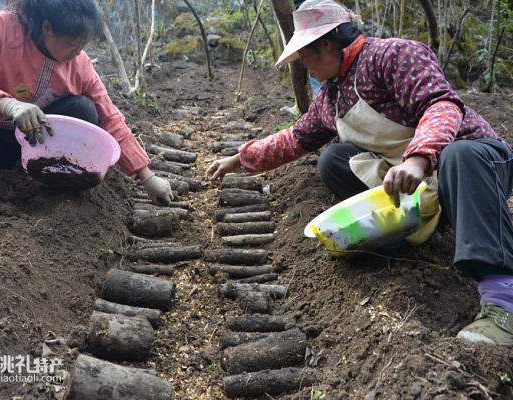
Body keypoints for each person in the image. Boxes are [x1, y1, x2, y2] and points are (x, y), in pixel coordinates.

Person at [207, 0, 513, 346]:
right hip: (419, 181)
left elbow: (441, 105)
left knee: (459, 154)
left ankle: (503, 300)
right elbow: (292, 139)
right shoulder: (330, 98)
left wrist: (418, 159)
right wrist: (239, 159)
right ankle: (415, 230)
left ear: (326, 45)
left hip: (475, 167)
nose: (302, 65)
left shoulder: (393, 55)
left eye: (304, 55)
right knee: (333, 161)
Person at [0, 0, 172, 247]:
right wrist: (9, 105)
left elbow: (109, 116)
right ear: (47, 27)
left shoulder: (78, 64)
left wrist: (146, 176)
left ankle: (53, 187)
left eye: (83, 46)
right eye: (72, 44)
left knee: (82, 108)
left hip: (32, 149)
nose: (77, 53)